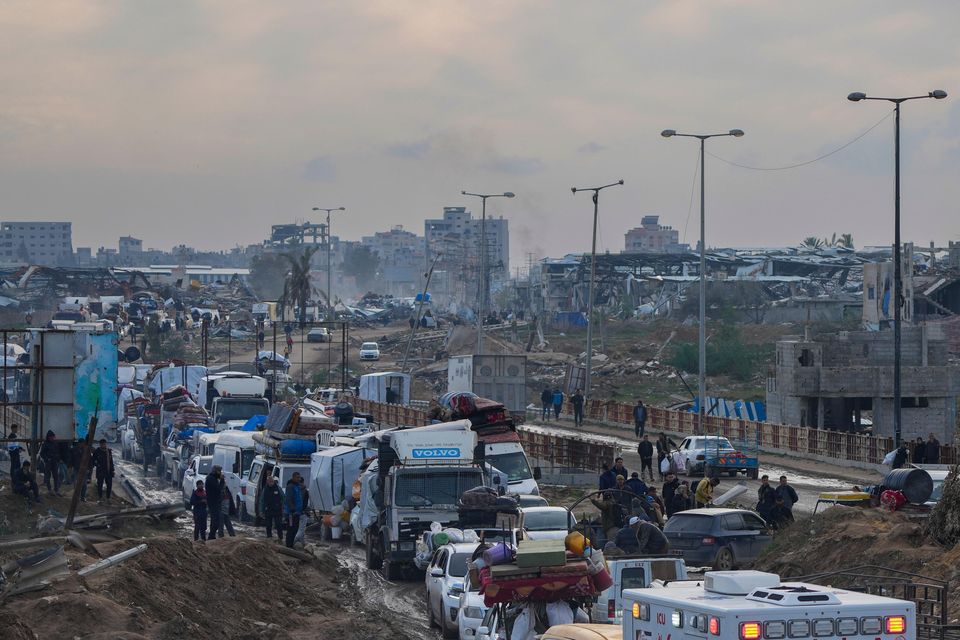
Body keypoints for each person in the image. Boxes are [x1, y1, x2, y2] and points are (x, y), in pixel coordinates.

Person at [260, 474, 285, 541]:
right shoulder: (265, 489)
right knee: (268, 525)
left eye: (272, 481)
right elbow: (262, 500)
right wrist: (261, 511)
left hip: (277, 509)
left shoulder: (278, 488)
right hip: (268, 509)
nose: (271, 483)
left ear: (274, 481)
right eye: (269, 481)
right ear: (267, 482)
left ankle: (280, 538)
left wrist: (283, 507)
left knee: (278, 524)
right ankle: (269, 537)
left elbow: (283, 498)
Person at [285, 472, 306, 548]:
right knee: (290, 529)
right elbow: (288, 499)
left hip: (297, 512)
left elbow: (299, 499)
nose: (299, 479)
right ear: (293, 477)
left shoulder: (297, 486)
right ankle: (288, 546)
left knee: (295, 529)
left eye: (299, 477)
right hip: (291, 513)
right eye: (297, 477)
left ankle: (291, 544)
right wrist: (292, 509)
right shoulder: (290, 486)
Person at [90, 438, 115, 504]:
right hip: (100, 472)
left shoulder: (108, 451)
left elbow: (111, 462)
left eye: (104, 444)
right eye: (102, 444)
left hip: (108, 471)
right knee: (100, 485)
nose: (104, 445)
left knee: (109, 485)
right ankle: (100, 498)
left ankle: (108, 498)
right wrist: (97, 465)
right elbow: (92, 460)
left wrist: (112, 470)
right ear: (100, 444)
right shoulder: (97, 451)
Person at [40, 430, 63, 496]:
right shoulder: (45, 444)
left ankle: (56, 490)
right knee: (48, 476)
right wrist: (46, 459)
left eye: (53, 437)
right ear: (48, 437)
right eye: (51, 437)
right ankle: (49, 489)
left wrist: (58, 458)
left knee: (56, 476)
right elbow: (42, 453)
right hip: (48, 462)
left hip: (55, 461)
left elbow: (58, 452)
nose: (52, 438)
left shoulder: (55, 443)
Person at [205, 465, 224, 539]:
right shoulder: (211, 479)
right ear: (216, 471)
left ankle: (212, 536)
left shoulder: (213, 478)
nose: (220, 473)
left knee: (215, 520)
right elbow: (218, 489)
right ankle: (211, 536)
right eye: (219, 471)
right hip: (213, 502)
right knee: (216, 521)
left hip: (215, 502)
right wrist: (222, 481)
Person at [294, 474, 310, 547]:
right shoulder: (305, 491)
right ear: (303, 482)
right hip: (302, 512)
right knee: (302, 528)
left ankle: (302, 542)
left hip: (294, 512)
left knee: (296, 527)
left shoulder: (294, 489)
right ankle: (295, 539)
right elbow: (305, 503)